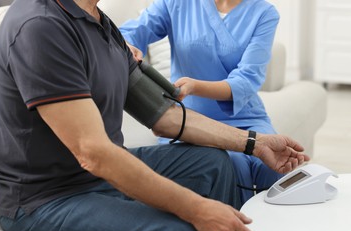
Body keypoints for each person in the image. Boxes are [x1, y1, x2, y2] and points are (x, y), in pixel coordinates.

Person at [0, 0, 309, 231]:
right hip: (47, 197)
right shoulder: (40, 27)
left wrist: (253, 142)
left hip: (96, 175)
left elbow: (165, 117)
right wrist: (197, 209)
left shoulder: (101, 23)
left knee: (213, 163)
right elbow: (94, 153)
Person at [120, 0, 282, 203]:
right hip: (190, 118)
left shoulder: (264, 13)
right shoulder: (177, 3)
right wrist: (127, 44)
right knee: (234, 163)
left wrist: (195, 86)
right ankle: (239, 229)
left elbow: (247, 79)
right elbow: (134, 30)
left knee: (273, 162)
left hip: (245, 115)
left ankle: (275, 228)